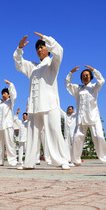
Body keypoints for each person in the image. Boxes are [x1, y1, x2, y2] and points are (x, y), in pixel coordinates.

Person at [14, 32, 70, 170]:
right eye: (37, 48)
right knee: (32, 135)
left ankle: (62, 160)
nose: (39, 50)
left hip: (50, 104)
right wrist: (19, 49)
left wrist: (46, 38)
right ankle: (29, 163)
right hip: (34, 106)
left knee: (54, 132)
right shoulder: (33, 67)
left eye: (42, 47)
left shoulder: (52, 63)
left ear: (48, 49)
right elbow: (19, 63)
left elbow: (60, 51)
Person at [65, 66, 106, 166]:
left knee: (99, 136)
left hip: (93, 117)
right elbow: (68, 85)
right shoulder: (78, 89)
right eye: (83, 76)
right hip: (81, 118)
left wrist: (93, 70)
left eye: (87, 75)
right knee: (77, 138)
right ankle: (75, 160)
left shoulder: (94, 87)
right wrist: (70, 73)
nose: (85, 77)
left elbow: (101, 80)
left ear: (91, 77)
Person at [0, 80, 18, 167]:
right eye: (2, 93)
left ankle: (13, 161)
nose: (3, 94)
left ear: (8, 95)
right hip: (0, 126)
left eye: (5, 93)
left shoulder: (10, 102)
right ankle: (0, 161)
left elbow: (14, 95)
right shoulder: (0, 103)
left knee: (10, 143)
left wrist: (11, 85)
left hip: (8, 125)